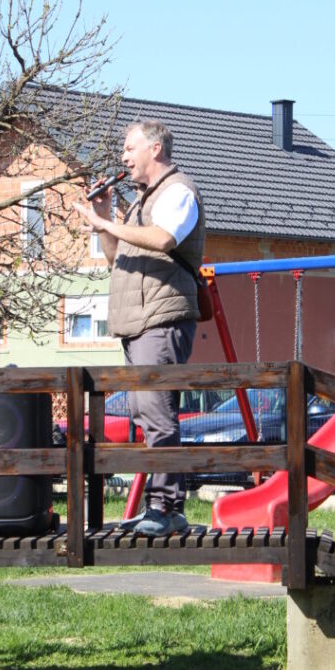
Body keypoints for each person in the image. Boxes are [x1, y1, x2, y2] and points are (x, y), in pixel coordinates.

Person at [74, 119, 206, 537]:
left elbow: (165, 239)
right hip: (137, 323)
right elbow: (117, 258)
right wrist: (104, 216)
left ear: (155, 149)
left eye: (130, 148)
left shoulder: (178, 191)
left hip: (160, 319)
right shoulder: (140, 201)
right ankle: (162, 507)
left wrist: (108, 224)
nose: (124, 157)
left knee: (157, 413)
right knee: (146, 413)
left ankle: (165, 508)